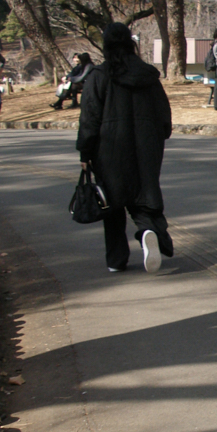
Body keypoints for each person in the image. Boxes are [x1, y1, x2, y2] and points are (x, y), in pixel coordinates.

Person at [76, 22, 174, 274]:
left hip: (109, 146)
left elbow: (89, 118)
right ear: (131, 43)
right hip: (147, 144)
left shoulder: (98, 76)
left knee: (112, 201)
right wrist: (161, 134)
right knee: (143, 194)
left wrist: (85, 152)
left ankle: (116, 259)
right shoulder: (148, 76)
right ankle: (147, 232)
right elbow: (163, 111)